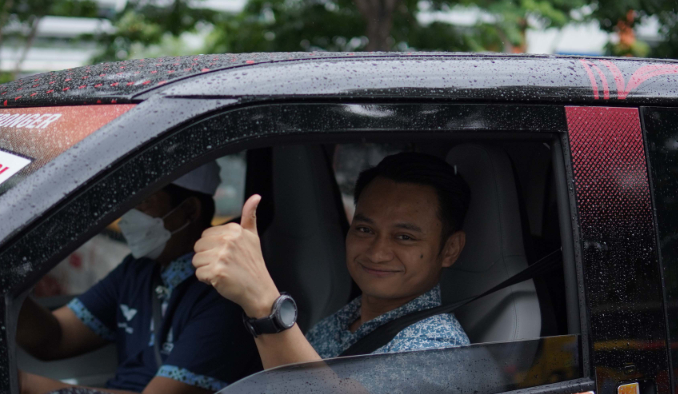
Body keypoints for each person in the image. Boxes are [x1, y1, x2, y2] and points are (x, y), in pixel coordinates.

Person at [17, 162, 261, 394]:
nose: (129, 216)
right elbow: (55, 338)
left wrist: (26, 388)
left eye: (143, 202)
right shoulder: (138, 269)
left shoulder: (223, 295)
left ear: (188, 210)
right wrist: (0, 292)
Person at [194, 152, 471, 370]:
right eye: (365, 230)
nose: (377, 252)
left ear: (450, 249)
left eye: (404, 237)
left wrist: (264, 302)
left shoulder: (439, 346)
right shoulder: (340, 321)